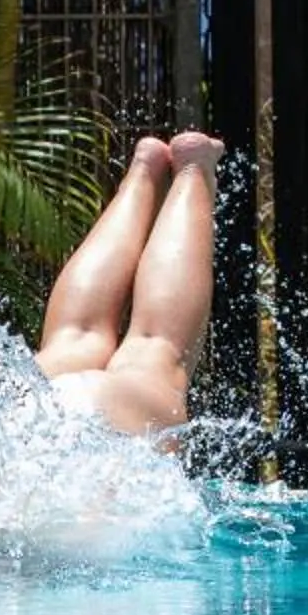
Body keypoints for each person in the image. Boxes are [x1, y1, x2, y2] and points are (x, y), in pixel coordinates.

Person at [33, 131, 224, 436]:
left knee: (154, 350)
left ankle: (193, 169)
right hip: (14, 401)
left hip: (83, 428)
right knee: (73, 339)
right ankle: (144, 171)